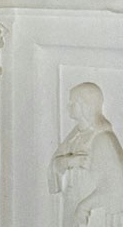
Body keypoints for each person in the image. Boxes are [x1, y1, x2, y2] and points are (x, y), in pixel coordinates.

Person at [50, 82, 123, 227]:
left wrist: (84, 207)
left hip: (93, 211)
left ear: (86, 105)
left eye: (73, 102)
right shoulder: (75, 135)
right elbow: (54, 165)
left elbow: (116, 185)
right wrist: (69, 162)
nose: (68, 106)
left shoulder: (103, 138)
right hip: (72, 202)